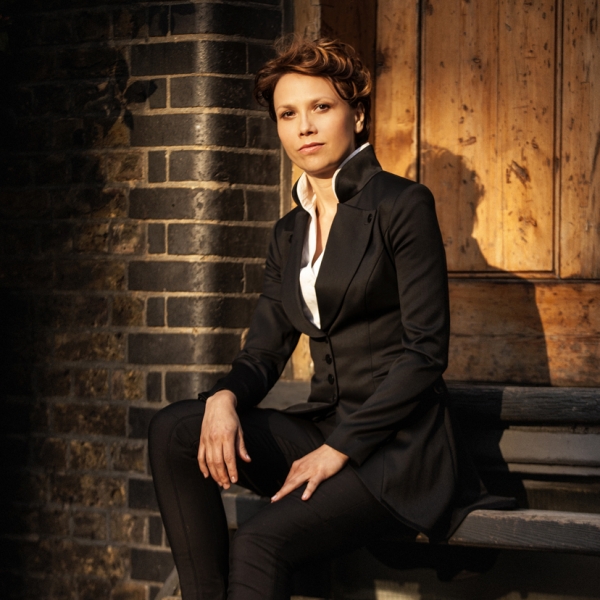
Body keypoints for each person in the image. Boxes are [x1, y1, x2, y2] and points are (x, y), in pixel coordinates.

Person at [148, 36, 513, 600]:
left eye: (321, 107)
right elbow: (263, 352)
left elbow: (424, 353)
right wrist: (222, 398)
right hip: (324, 429)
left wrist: (337, 449)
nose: (305, 127)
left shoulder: (402, 204)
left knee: (259, 540)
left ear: (357, 115)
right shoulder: (288, 231)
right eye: (288, 114)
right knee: (175, 428)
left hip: (396, 450)